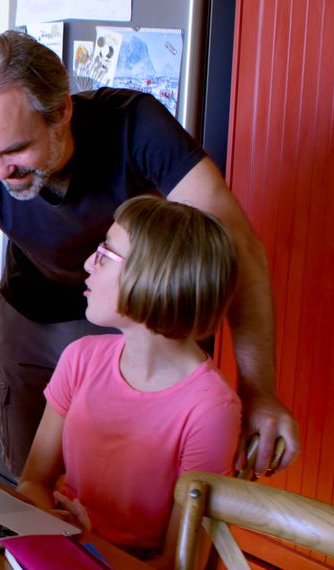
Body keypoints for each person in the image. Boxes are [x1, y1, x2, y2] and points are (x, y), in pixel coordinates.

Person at [0, 30, 298, 480]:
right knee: (24, 483)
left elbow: (238, 247)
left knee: (122, 489)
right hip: (30, 314)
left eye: (16, 149)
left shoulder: (136, 125)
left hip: (132, 320)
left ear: (62, 112)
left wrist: (259, 393)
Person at [18, 196, 241, 566]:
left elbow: (180, 563)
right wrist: (60, 533)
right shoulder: (80, 358)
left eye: (105, 254)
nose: (89, 263)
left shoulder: (211, 411)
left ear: (154, 277)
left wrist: (86, 544)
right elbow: (32, 483)